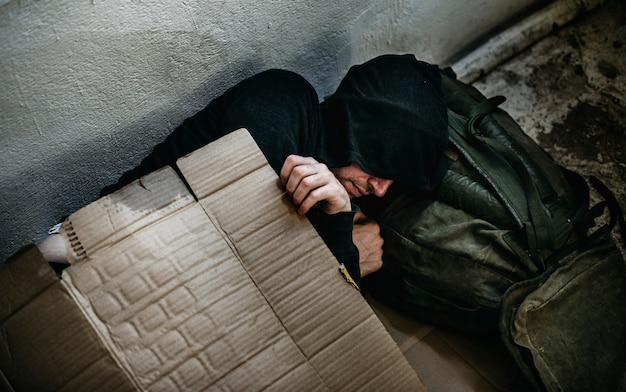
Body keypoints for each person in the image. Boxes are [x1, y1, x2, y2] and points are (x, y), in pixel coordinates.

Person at [39, 53, 449, 287]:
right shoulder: (285, 101)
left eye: (395, 179)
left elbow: (316, 308)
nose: (380, 189)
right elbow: (245, 257)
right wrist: (342, 240)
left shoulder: (338, 187)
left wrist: (339, 219)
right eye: (383, 164)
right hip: (97, 259)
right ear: (360, 131)